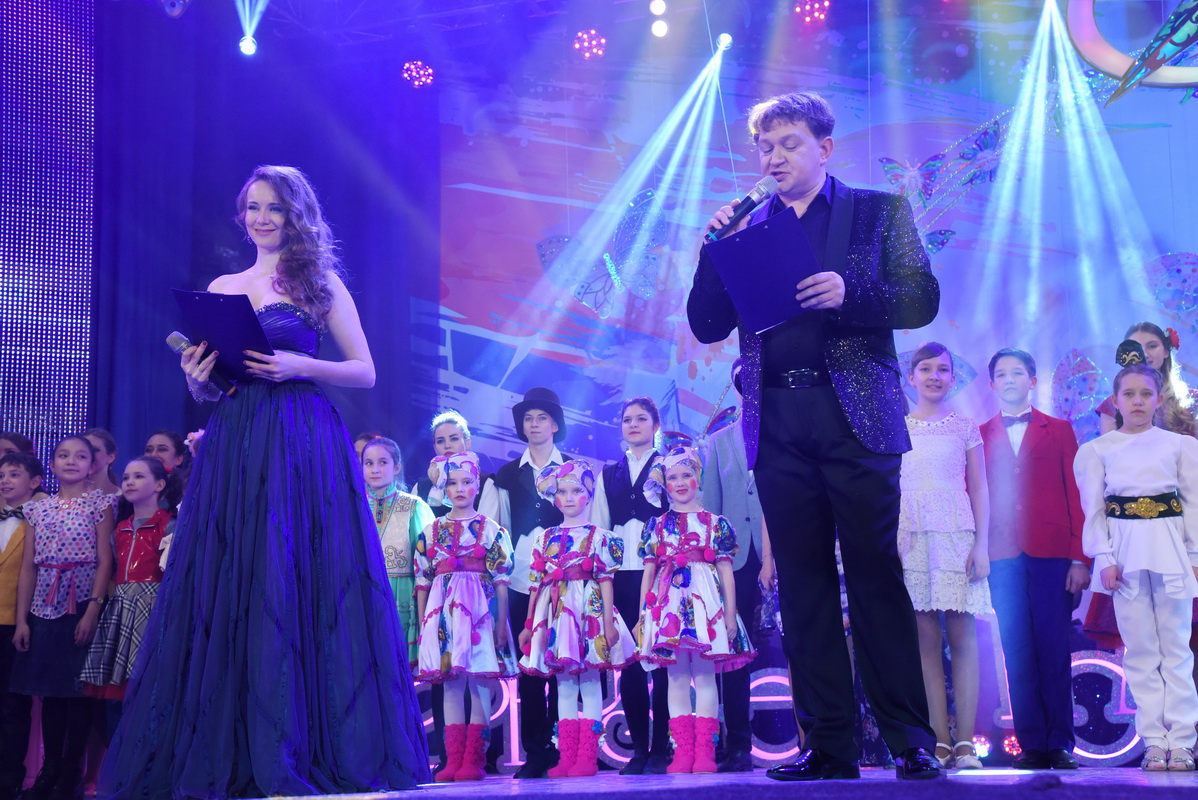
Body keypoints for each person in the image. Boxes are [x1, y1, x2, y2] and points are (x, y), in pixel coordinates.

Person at [99, 165, 430, 798]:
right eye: (252, 207)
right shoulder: (223, 286)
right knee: (238, 575)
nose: (261, 218)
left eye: (274, 207)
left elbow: (365, 370)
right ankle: (236, 745)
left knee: (300, 572)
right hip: (237, 438)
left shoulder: (319, 281)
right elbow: (212, 387)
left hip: (302, 436)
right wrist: (196, 376)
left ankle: (303, 744)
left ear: (295, 214)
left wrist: (299, 364)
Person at [687, 90, 942, 780]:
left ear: (824, 148)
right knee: (802, 586)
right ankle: (828, 743)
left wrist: (849, 293)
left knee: (874, 573)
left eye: (789, 143)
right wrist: (712, 251)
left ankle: (908, 740)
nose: (774, 157)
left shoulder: (877, 211)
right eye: (765, 147)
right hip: (776, 419)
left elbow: (921, 296)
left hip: (856, 417)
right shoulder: (747, 229)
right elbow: (706, 325)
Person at [1075, 364, 1198, 771]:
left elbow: (1194, 504)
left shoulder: (1180, 446)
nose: (1138, 401)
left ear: (1159, 399)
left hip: (1170, 549)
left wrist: (1195, 557)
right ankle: (1154, 741)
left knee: (1176, 648)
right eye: (1129, 394)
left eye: (1146, 394)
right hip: (1124, 553)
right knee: (1141, 650)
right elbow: (1094, 511)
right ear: (1116, 401)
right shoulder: (1097, 450)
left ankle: (1182, 741)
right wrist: (1104, 558)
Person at [979, 348, 1088, 770]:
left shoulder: (1059, 430)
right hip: (1002, 556)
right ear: (992, 384)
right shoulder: (980, 434)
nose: (1009, 379)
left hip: (1052, 554)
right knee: (1016, 649)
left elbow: (1075, 495)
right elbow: (975, 495)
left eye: (1017, 372)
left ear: (1033, 381)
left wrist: (1079, 558)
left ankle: (1059, 742)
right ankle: (1031, 744)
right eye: (1002, 374)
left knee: (1054, 647)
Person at [897, 343, 990, 770]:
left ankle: (966, 742)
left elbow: (980, 488)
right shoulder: (897, 428)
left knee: (963, 634)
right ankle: (939, 741)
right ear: (911, 376)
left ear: (953, 378)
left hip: (956, 535)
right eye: (926, 369)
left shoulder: (964, 427)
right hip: (912, 538)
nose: (934, 376)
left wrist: (981, 545)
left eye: (943, 370)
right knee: (924, 639)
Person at [636, 446, 756, 774]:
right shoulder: (656, 526)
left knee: (704, 677)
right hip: (668, 608)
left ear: (698, 478)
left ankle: (705, 751)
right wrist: (644, 615)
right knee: (675, 679)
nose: (679, 482)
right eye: (672, 477)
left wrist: (730, 614)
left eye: (686, 475)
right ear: (664, 484)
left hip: (706, 608)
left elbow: (726, 571)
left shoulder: (716, 524)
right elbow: (649, 573)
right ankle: (682, 752)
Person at [10, 437, 115, 800]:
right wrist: (22, 621)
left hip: (81, 604)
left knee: (79, 694)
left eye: (80, 456)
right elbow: (28, 568)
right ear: (52, 464)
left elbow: (104, 560)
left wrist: (93, 608)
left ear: (92, 465)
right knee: (51, 694)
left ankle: (72, 773)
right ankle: (49, 768)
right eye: (63, 455)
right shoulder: (38, 509)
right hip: (43, 607)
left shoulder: (100, 504)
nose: (71, 461)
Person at [518, 461, 636, 778]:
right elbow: (536, 585)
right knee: (565, 683)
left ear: (589, 494)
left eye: (576, 491)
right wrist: (529, 624)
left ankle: (587, 756)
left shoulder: (600, 537)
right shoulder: (545, 538)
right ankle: (567, 756)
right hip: (557, 612)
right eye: (562, 492)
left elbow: (606, 580)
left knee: (591, 682)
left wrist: (608, 622)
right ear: (554, 497)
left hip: (589, 611)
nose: (569, 498)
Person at [478, 387, 566, 778]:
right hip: (519, 582)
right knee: (530, 667)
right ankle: (536, 750)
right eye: (528, 419)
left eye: (542, 418)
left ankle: (567, 745)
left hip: (566, 580)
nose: (534, 425)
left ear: (555, 424)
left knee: (564, 663)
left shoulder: (573, 469)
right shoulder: (506, 475)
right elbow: (491, 529)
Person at [416, 451, 516, 782]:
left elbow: (501, 582)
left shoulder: (491, 530)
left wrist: (501, 625)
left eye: (467, 482)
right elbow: (422, 582)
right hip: (444, 616)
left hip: (481, 615)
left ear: (477, 485)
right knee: (451, 686)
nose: (459, 489)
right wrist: (425, 625)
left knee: (480, 684)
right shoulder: (431, 531)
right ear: (443, 489)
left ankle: (474, 759)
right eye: (452, 483)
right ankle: (453, 759)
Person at [589, 396, 672, 774]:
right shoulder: (609, 474)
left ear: (656, 425)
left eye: (641, 418)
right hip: (622, 576)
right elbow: (601, 529)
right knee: (630, 665)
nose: (633, 424)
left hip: (664, 572)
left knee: (663, 663)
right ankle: (639, 749)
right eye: (627, 419)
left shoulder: (669, 466)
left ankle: (662, 749)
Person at [701, 367, 768, 773]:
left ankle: (816, 741)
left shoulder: (783, 431)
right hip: (735, 561)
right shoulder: (718, 441)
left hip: (781, 552)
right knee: (734, 652)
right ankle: (738, 744)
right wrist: (712, 565)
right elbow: (711, 508)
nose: (750, 389)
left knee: (797, 646)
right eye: (744, 384)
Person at [80, 458, 178, 707]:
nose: (130, 482)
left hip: (154, 608)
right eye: (126, 478)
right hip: (121, 607)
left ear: (159, 485)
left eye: (139, 476)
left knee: (148, 681)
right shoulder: (119, 530)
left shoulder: (170, 526)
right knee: (119, 689)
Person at [362, 436, 435, 667]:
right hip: (361, 592)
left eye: (383, 462)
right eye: (369, 463)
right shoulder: (353, 506)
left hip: (402, 595)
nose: (375, 469)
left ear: (396, 467)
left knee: (397, 665)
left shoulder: (414, 506)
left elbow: (428, 562)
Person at [0, 452, 40, 800]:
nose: (5, 480)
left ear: (35, 482)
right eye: (2, 475)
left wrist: (24, 621)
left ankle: (10, 777)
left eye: (14, 474)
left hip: (14, 621)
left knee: (12, 705)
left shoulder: (40, 517)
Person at [1098, 323, 1195, 436]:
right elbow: (1108, 446)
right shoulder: (1112, 404)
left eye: (1152, 346)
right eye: (1135, 347)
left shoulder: (1192, 399)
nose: (1144, 354)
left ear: (1166, 351)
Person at [414, 411, 476, 519]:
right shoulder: (421, 487)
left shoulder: (485, 484)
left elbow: (489, 527)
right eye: (440, 441)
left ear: (467, 443)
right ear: (435, 448)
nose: (447, 445)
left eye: (454, 439)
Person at [81, 429, 120, 496]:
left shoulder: (124, 498)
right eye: (82, 451)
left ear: (110, 457)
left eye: (94, 450)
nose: (88, 454)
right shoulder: (65, 496)